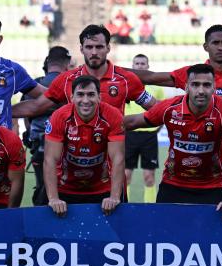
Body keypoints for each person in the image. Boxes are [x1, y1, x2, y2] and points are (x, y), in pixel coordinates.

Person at [130, 24, 222, 202]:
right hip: (202, 156)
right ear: (206, 46)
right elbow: (151, 77)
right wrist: (114, 73)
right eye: (215, 42)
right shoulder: (192, 74)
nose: (220, 47)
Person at [124, 64, 222, 223]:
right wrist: (101, 121)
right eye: (195, 84)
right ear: (186, 86)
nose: (201, 90)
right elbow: (132, 121)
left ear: (214, 87)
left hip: (211, 187)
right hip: (172, 185)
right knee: (162, 234)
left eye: (207, 85)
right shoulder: (170, 107)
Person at [13, 24, 157, 119]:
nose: (94, 52)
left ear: (108, 48)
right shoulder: (66, 79)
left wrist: (178, 110)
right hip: (74, 157)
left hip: (112, 157)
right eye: (89, 47)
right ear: (82, 49)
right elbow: (35, 107)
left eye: (99, 47)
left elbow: (154, 107)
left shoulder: (126, 79)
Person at [43, 75, 125, 216]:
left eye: (91, 95)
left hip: (102, 189)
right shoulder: (59, 116)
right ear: (72, 97)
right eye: (80, 95)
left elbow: (118, 158)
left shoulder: (113, 115)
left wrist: (114, 196)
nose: (85, 100)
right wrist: (54, 198)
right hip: (65, 188)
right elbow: (50, 159)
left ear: (99, 97)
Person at [22, 46, 72, 206]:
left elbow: (26, 115)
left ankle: (39, 226)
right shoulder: (71, 84)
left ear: (48, 63)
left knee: (42, 186)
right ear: (67, 64)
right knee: (66, 190)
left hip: (39, 147)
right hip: (68, 148)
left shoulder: (34, 85)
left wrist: (31, 135)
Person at [124, 54, 164, 203]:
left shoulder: (156, 88)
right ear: (132, 66)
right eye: (137, 63)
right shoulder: (125, 86)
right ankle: (124, 206)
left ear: (148, 66)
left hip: (149, 137)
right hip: (129, 136)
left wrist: (155, 128)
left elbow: (162, 110)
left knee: (149, 177)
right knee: (126, 176)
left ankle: (150, 209)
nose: (140, 66)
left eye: (142, 63)